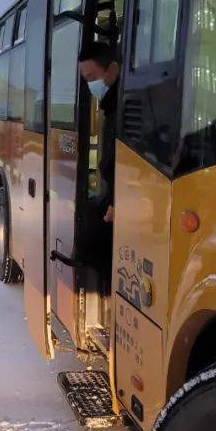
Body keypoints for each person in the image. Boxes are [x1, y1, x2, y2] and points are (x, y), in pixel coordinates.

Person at [77, 41, 120, 273]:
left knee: (93, 243)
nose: (91, 85)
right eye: (86, 80)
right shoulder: (110, 103)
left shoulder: (124, 105)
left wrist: (115, 201)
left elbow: (119, 160)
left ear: (112, 70)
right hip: (114, 194)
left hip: (122, 196)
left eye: (92, 77)